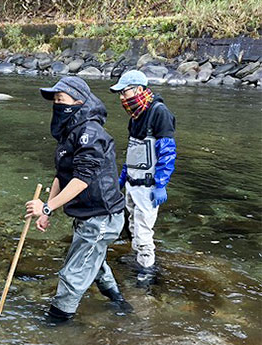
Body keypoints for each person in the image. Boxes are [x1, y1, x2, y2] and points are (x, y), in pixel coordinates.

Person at [25, 76, 132, 321]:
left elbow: (82, 178)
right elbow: (62, 175)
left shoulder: (91, 133)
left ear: (79, 101)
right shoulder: (69, 133)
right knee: (92, 260)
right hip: (87, 215)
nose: (57, 105)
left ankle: (57, 323)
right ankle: (119, 304)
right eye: (55, 101)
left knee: (73, 273)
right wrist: (45, 212)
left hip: (101, 216)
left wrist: (48, 207)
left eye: (61, 100)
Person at [109, 70, 177, 287]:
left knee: (144, 229)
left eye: (124, 91)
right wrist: (122, 178)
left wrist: (161, 184)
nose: (121, 97)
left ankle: (146, 271)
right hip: (132, 182)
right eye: (119, 93)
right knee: (131, 223)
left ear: (139, 89)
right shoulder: (135, 115)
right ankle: (136, 258)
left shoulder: (159, 112)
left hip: (148, 186)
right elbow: (133, 151)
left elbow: (167, 151)